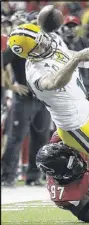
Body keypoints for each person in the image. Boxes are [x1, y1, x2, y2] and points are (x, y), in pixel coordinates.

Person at [9, 22, 89, 201]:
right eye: (39, 44)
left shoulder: (51, 45)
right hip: (78, 126)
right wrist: (76, 59)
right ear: (29, 53)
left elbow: (72, 57)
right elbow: (55, 82)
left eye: (42, 38)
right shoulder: (34, 72)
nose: (46, 43)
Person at [1, 13, 51, 187]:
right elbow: (2, 61)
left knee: (41, 138)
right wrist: (11, 85)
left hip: (42, 99)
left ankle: (33, 176)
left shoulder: (46, 45)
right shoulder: (19, 43)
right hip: (23, 99)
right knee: (16, 138)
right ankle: (7, 176)